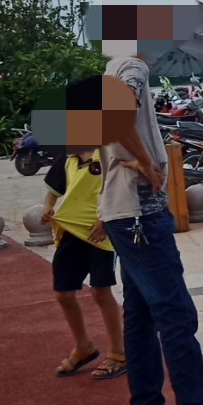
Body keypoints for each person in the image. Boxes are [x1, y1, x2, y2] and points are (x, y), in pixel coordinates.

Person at [96, 52, 203, 405]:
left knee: (140, 316)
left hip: (121, 211)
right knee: (176, 315)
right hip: (141, 213)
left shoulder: (109, 70)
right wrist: (147, 162)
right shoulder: (133, 66)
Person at [43, 146, 126, 380]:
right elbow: (53, 189)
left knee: (101, 291)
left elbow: (118, 189)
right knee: (63, 293)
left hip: (100, 233)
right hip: (71, 231)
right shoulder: (67, 159)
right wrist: (48, 207)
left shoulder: (107, 154)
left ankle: (118, 352)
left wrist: (105, 219)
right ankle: (83, 347)